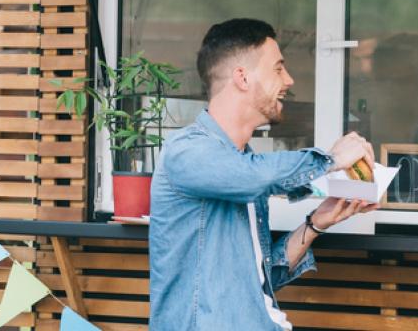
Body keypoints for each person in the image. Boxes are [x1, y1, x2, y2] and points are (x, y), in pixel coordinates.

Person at [149, 18, 377, 330]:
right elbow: (252, 176)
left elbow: (261, 280)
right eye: (278, 68)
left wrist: (316, 223)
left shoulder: (245, 163)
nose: (290, 80)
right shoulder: (187, 152)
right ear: (242, 77)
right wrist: (332, 159)